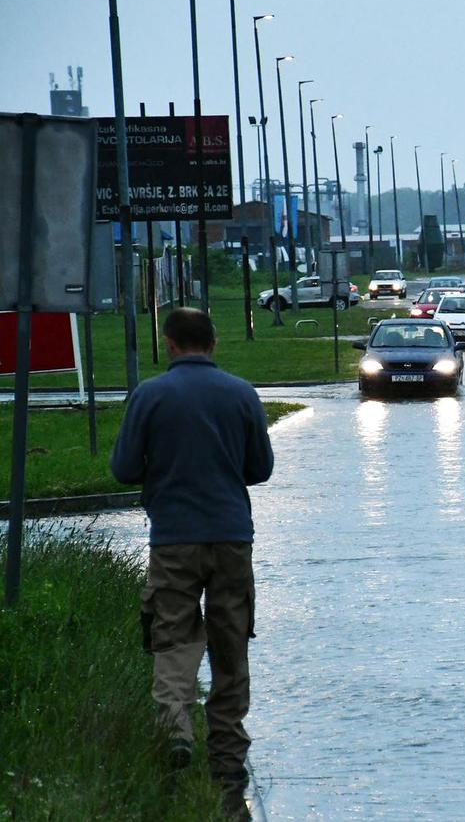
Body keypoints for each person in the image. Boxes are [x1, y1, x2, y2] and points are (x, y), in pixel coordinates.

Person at [110, 307, 274, 814]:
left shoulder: (150, 395)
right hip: (231, 538)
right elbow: (261, 469)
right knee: (230, 645)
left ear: (170, 344)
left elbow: (121, 469)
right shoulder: (242, 394)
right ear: (214, 343)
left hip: (173, 540)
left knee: (173, 637)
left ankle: (177, 731)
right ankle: (227, 761)